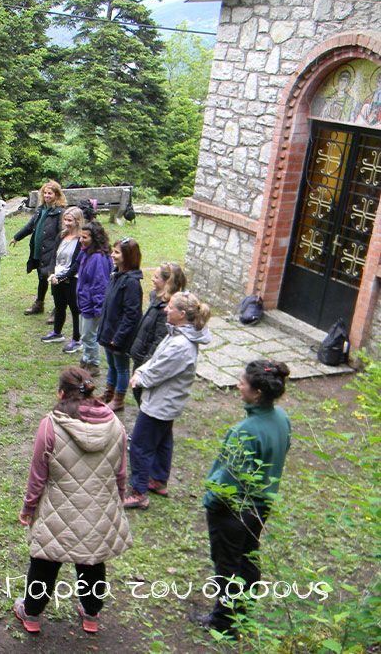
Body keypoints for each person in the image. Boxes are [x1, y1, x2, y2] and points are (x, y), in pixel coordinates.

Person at [14, 367, 131, 636]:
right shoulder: (115, 424)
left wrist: (28, 507)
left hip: (58, 508)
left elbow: (37, 475)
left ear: (61, 393)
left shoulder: (51, 425)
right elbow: (121, 470)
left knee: (44, 562)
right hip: (100, 508)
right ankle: (91, 613)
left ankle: (31, 613)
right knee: (93, 560)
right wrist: (119, 499)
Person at [196, 360, 291, 638]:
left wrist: (211, 502)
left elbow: (230, 480)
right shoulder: (281, 418)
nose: (239, 385)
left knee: (226, 565)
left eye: (243, 383)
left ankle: (222, 623)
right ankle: (243, 613)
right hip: (261, 507)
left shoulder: (245, 431)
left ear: (257, 392)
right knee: (248, 559)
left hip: (233, 511)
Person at [124, 292, 212, 509]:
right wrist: (142, 371)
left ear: (182, 314)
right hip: (167, 401)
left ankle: (138, 492)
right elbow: (156, 359)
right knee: (163, 441)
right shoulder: (177, 334)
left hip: (161, 404)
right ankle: (158, 480)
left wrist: (140, 377)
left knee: (139, 445)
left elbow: (159, 370)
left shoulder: (181, 344)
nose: (165, 309)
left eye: (170, 307)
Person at [129, 262, 187, 405]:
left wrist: (144, 369)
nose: (152, 279)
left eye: (156, 277)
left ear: (167, 282)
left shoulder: (166, 310)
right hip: (141, 360)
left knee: (144, 401)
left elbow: (158, 343)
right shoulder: (157, 299)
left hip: (146, 364)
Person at [97, 238, 143, 412]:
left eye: (117, 252)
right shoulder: (117, 275)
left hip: (119, 336)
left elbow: (132, 314)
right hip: (109, 332)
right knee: (112, 366)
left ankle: (119, 399)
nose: (112, 255)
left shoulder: (131, 282)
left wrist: (119, 336)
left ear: (128, 256)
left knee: (122, 367)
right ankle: (109, 393)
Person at [10, 181, 66, 316]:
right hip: (38, 250)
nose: (47, 196)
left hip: (51, 252)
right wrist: (17, 237)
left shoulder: (60, 212)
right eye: (45, 193)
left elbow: (62, 234)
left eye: (50, 193)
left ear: (57, 195)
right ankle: (39, 304)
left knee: (54, 280)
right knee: (41, 277)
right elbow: (30, 226)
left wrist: (58, 251)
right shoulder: (41, 209)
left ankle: (57, 310)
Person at [41, 207, 84, 352]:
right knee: (59, 306)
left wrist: (64, 277)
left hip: (72, 279)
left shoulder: (81, 240)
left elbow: (77, 263)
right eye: (65, 220)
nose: (66, 223)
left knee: (75, 309)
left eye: (70, 220)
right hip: (57, 277)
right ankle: (57, 333)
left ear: (78, 222)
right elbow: (54, 256)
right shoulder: (61, 236)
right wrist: (52, 274)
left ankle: (77, 340)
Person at [75, 221, 112, 377]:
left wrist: (98, 308)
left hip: (91, 304)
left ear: (95, 238)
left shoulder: (98, 258)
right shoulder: (87, 253)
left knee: (89, 335)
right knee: (85, 333)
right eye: (80, 237)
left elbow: (100, 284)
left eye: (85, 237)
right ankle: (86, 359)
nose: (81, 240)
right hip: (85, 302)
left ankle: (93, 364)